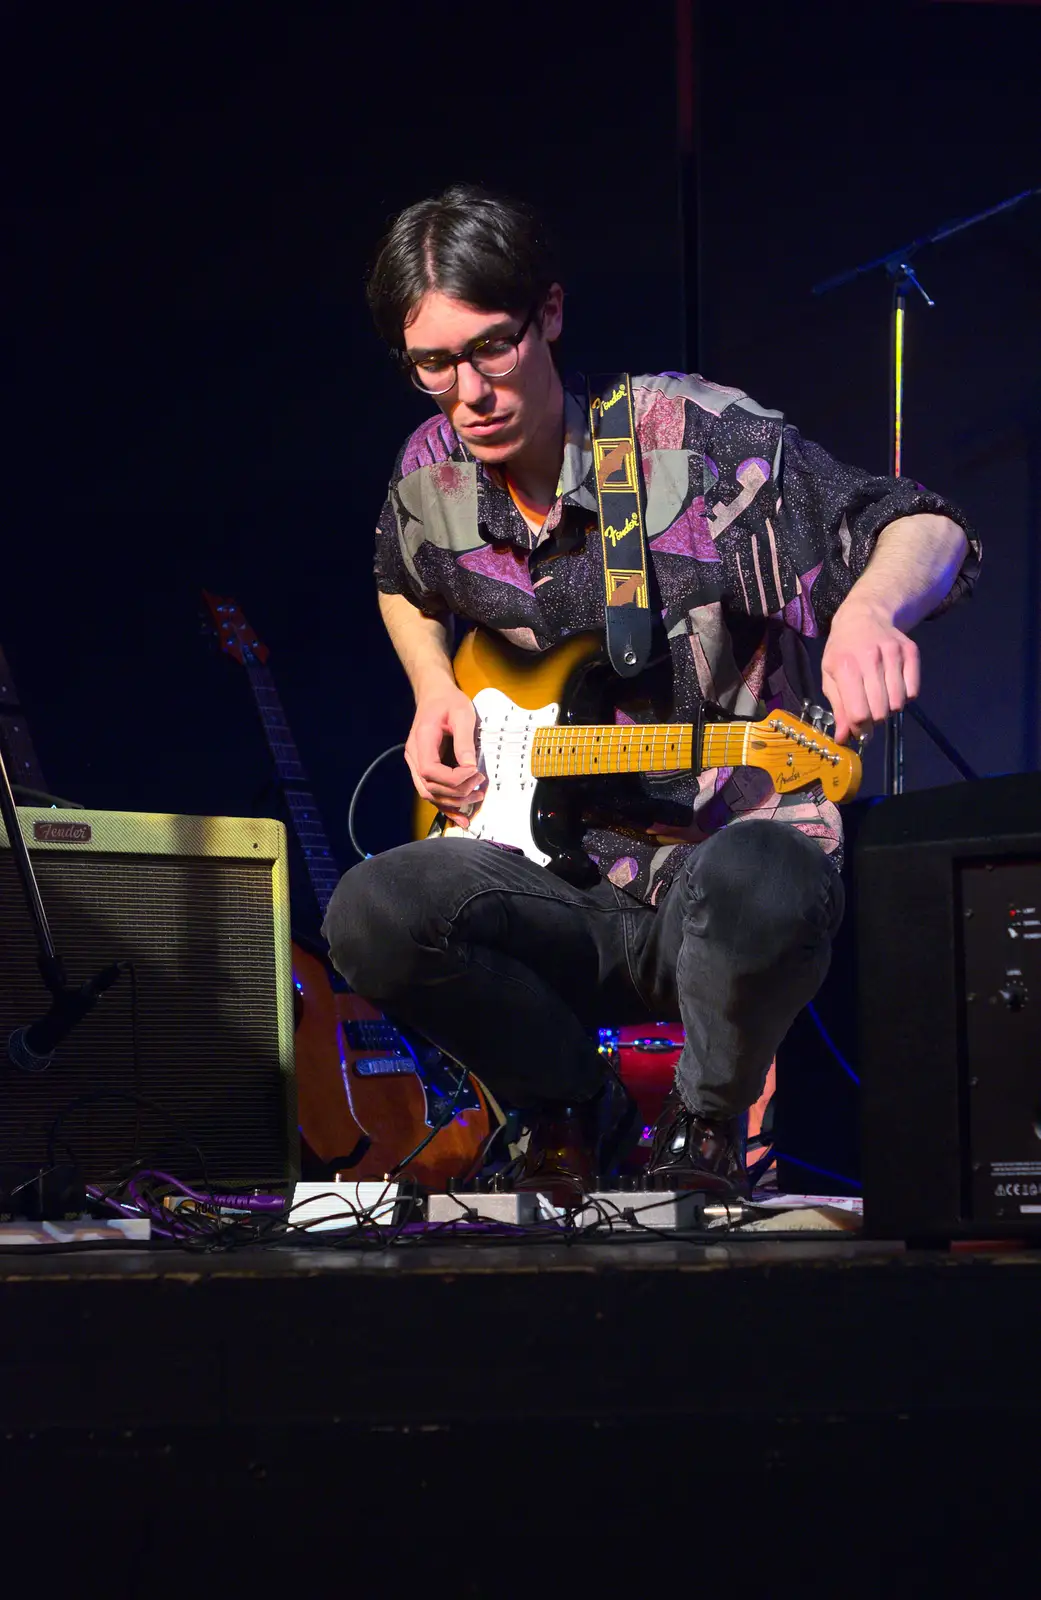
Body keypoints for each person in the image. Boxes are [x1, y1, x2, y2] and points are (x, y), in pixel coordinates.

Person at [322, 185, 979, 1199]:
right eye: (434, 367)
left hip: (720, 881)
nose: (470, 394)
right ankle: (568, 1103)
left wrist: (868, 612)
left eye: (492, 348)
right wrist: (430, 691)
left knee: (765, 873)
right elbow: (396, 572)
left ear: (548, 312)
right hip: (557, 882)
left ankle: (706, 1123)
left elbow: (924, 525)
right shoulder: (434, 466)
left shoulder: (693, 440)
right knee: (371, 911)